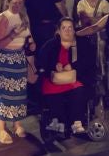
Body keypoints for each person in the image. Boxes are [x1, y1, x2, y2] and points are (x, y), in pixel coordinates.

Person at [37, 18, 89, 147]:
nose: (67, 30)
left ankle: (76, 123)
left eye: (70, 27)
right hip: (54, 80)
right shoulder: (50, 45)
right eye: (64, 28)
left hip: (72, 79)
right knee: (55, 97)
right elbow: (42, 63)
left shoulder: (79, 45)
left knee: (80, 90)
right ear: (58, 31)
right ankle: (59, 123)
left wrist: (72, 66)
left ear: (74, 30)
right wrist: (53, 67)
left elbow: (87, 64)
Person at [0, 0, 33, 144]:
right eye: (14, 2)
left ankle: (17, 123)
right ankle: (1, 129)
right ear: (8, 2)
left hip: (18, 59)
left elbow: (28, 36)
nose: (17, 6)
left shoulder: (23, 17)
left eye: (20, 3)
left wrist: (31, 43)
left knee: (18, 93)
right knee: (3, 94)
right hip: (4, 60)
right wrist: (15, 33)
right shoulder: (3, 17)